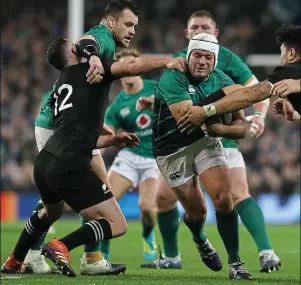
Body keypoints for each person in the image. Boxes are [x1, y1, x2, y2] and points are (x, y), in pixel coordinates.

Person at [1, 35, 186, 277]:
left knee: (50, 213)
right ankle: (63, 246)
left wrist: (111, 139)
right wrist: (166, 62)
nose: (80, 46)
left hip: (45, 162)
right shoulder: (89, 74)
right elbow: (130, 66)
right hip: (70, 165)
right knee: (117, 224)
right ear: (71, 54)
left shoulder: (61, 85)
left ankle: (15, 260)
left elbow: (76, 135)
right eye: (74, 45)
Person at [139, 10, 280, 275]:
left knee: (225, 199)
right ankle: (200, 238)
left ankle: (236, 263)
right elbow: (186, 118)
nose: (202, 62)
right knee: (197, 212)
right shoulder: (174, 75)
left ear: (215, 60)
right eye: (197, 55)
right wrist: (223, 104)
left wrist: (218, 126)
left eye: (207, 57)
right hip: (172, 150)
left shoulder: (225, 79)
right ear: (188, 54)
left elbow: (240, 128)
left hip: (206, 141)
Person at [100, 48, 160, 261]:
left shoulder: (157, 89)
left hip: (155, 159)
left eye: (133, 65)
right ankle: (103, 250)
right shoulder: (117, 106)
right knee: (106, 202)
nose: (129, 70)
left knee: (146, 207)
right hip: (129, 158)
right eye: (124, 67)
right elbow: (106, 134)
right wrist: (93, 153)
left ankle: (148, 235)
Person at [178, 23, 301, 125]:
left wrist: (205, 111)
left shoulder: (290, 71)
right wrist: (294, 115)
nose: (280, 59)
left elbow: (250, 95)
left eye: (282, 52)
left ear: (291, 53)